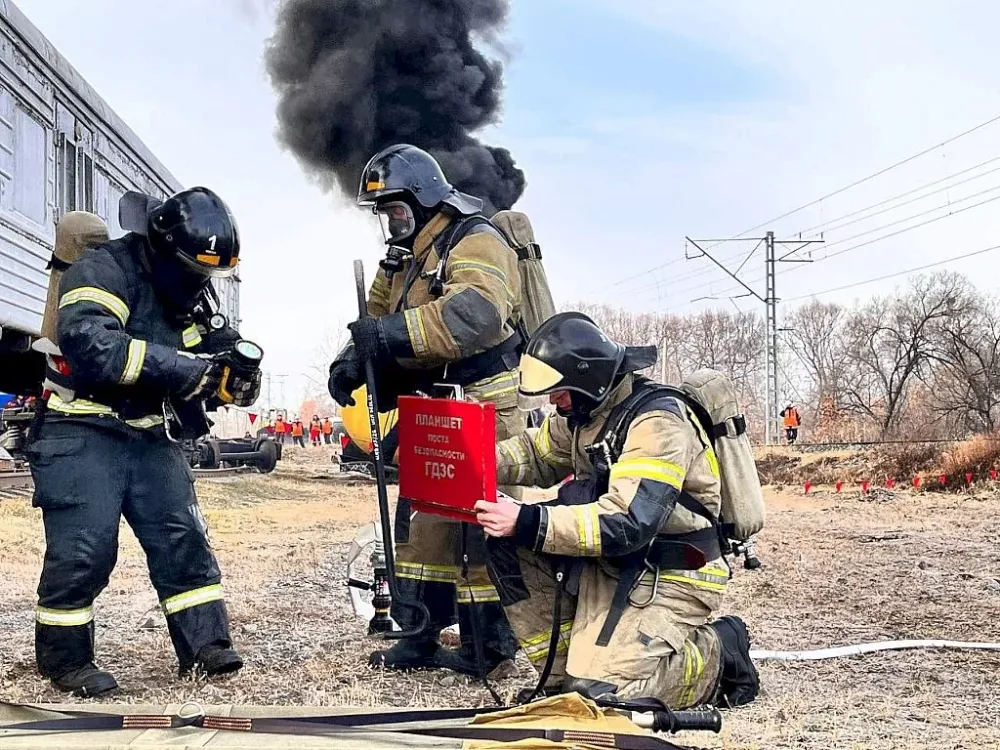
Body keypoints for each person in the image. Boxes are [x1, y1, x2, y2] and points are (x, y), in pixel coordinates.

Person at [27, 190, 260, 697]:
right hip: (82, 425)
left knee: (183, 541)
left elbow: (206, 346)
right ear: (161, 245)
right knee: (84, 550)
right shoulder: (101, 270)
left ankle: (205, 646)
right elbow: (93, 346)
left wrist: (233, 374)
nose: (199, 282)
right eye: (193, 269)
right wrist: (190, 371)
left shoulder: (188, 291)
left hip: (151, 431)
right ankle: (66, 662)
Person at [474, 312, 759, 710]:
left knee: (607, 699)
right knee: (508, 548)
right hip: (614, 566)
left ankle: (719, 651)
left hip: (670, 573)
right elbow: (533, 455)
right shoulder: (583, 415)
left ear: (588, 378)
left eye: (560, 391)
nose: (554, 401)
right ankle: (559, 679)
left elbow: (628, 520)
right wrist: (472, 458)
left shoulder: (658, 421)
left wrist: (527, 519)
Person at [328, 144, 523, 676]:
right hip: (432, 409)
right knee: (421, 525)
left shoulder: (476, 238)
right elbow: (374, 321)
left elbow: (477, 313)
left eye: (396, 210)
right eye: (384, 213)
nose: (390, 222)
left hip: (482, 402)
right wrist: (349, 363)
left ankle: (489, 645)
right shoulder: (405, 258)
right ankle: (418, 633)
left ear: (423, 199)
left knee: (478, 525)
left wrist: (388, 334)